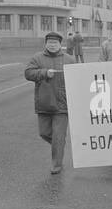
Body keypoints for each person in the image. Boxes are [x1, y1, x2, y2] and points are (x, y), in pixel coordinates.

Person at [25, 32, 76, 175]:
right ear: (45, 44)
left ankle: (56, 164)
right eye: (50, 43)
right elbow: (28, 73)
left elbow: (78, 78)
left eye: (55, 43)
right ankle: (58, 146)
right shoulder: (37, 58)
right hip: (44, 102)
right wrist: (44, 73)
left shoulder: (69, 60)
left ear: (60, 45)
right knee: (44, 133)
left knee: (58, 136)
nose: (52, 45)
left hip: (62, 103)